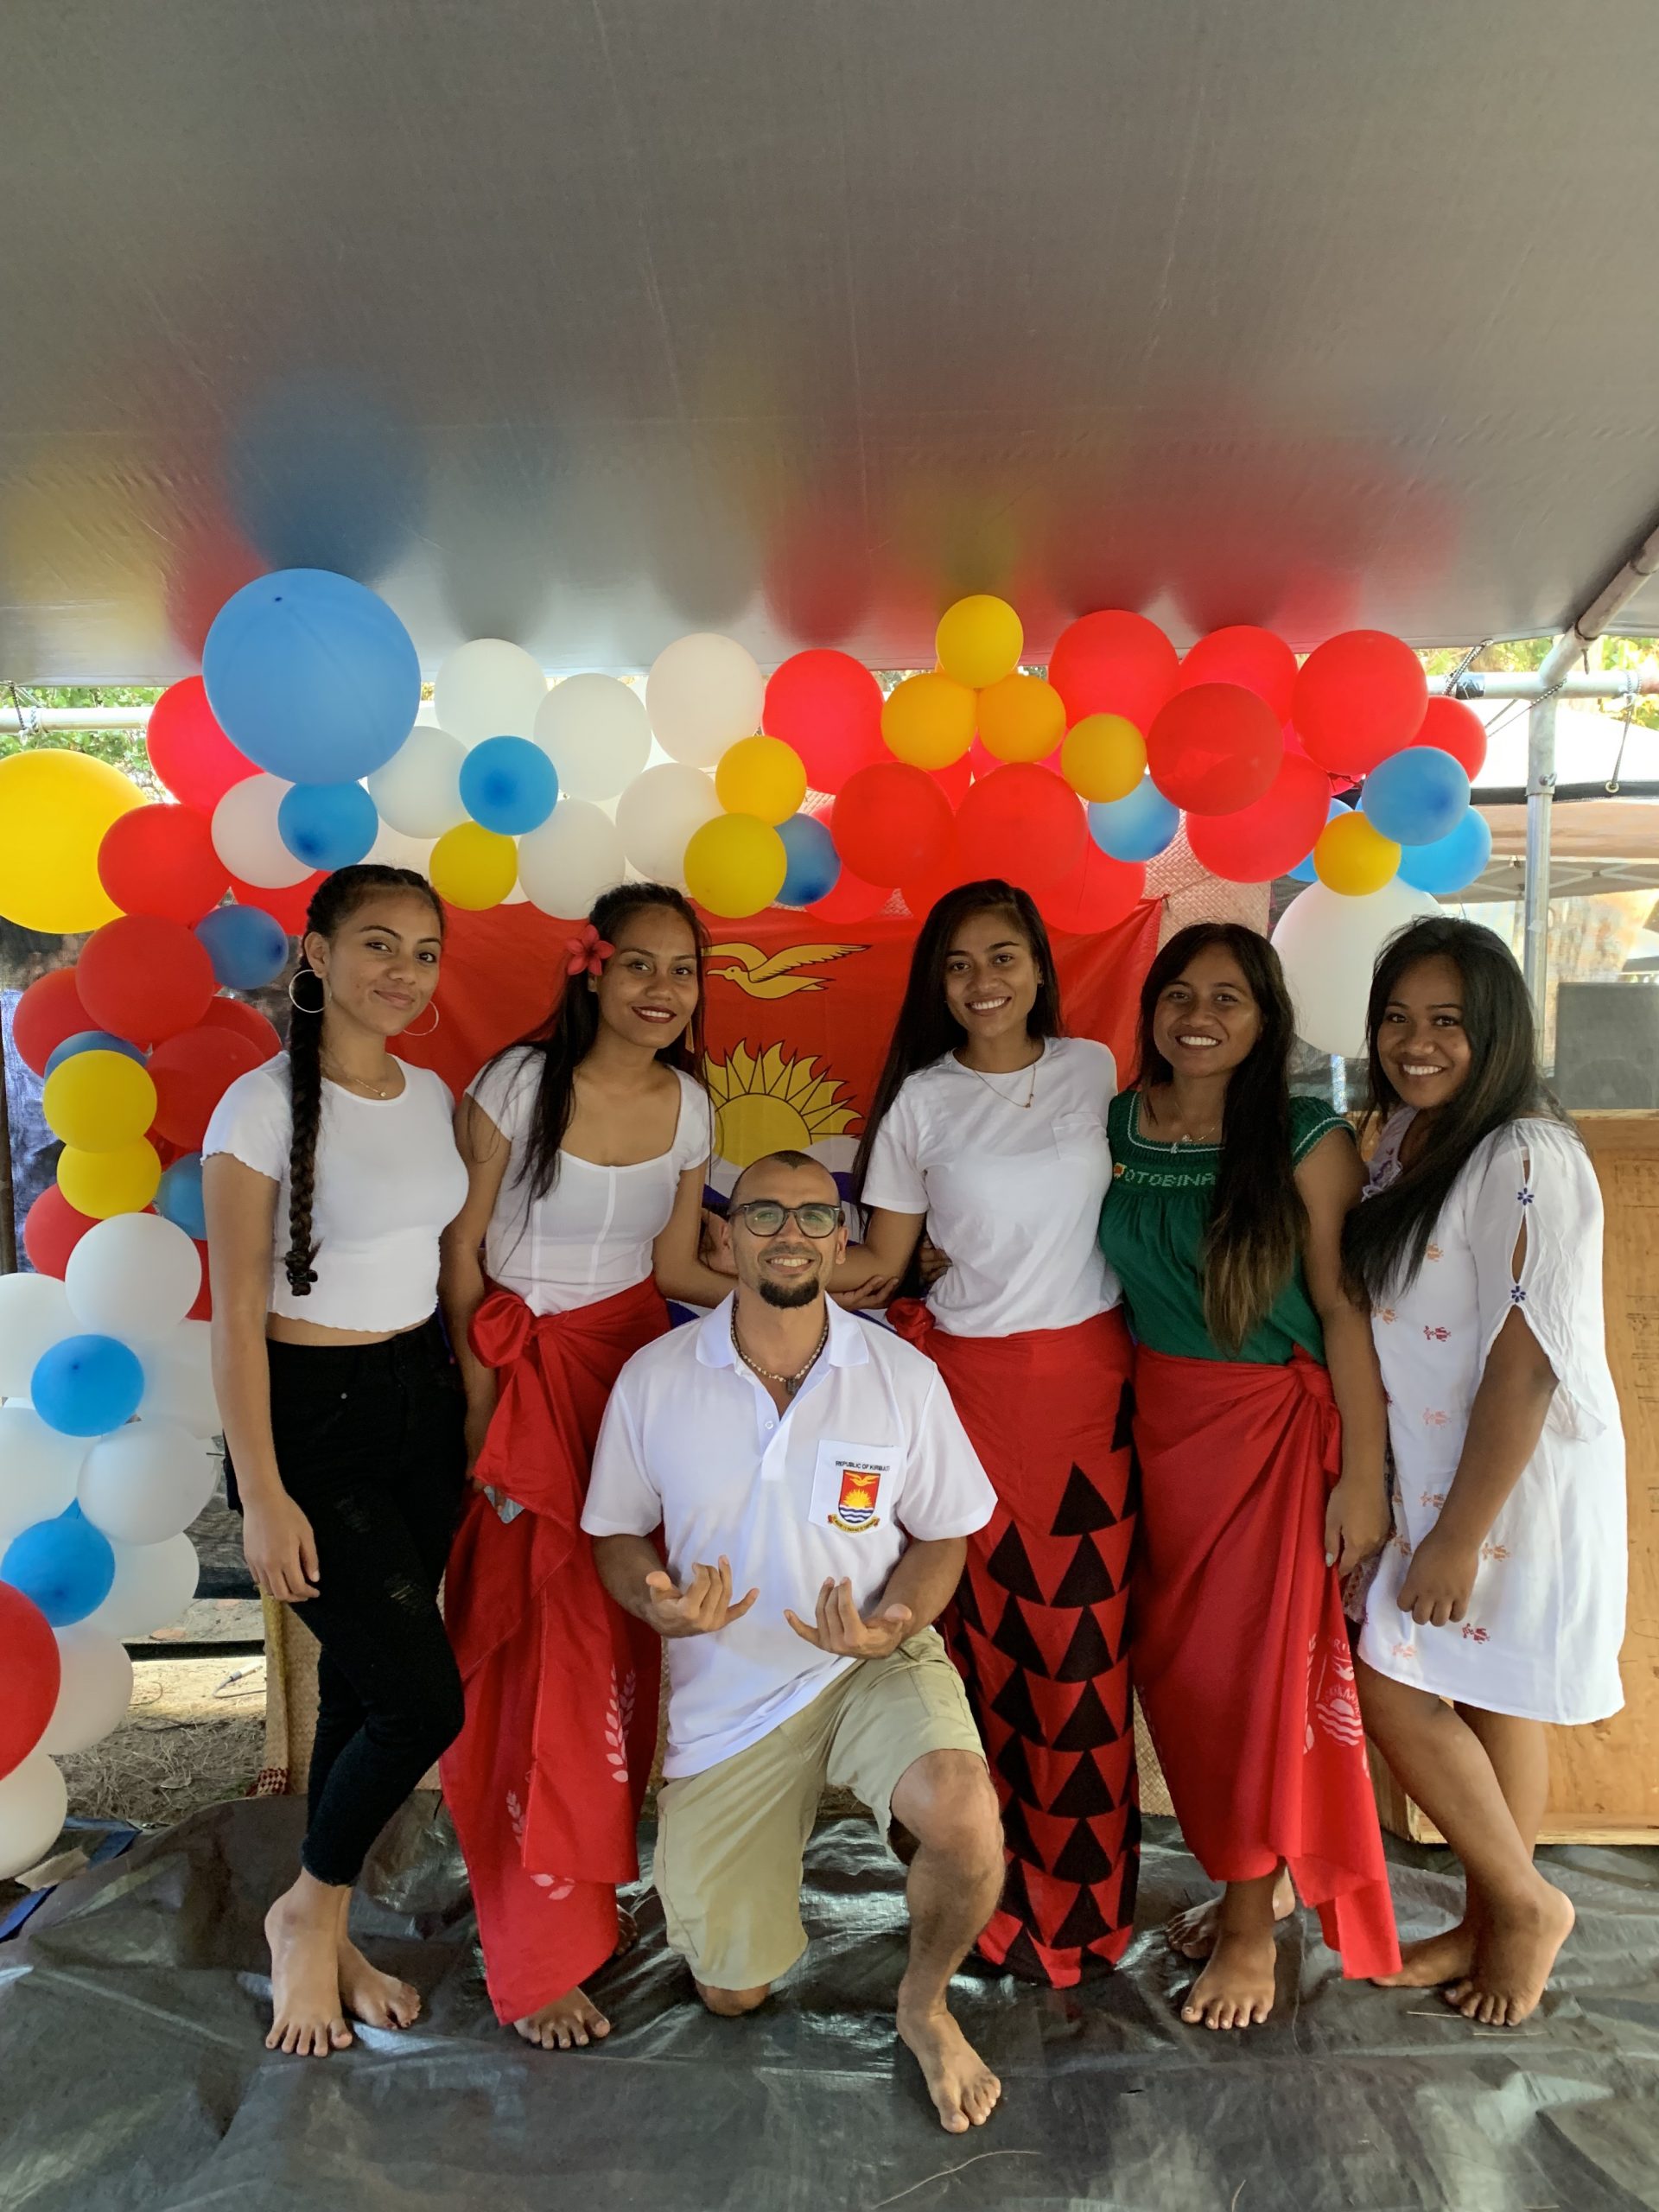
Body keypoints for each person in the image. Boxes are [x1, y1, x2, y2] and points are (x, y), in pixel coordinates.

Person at [582, 1149, 1006, 2134]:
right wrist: (654, 1600)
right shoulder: (657, 1377)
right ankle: (766, 1880)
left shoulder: (897, 1373)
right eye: (764, 1213)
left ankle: (925, 2003)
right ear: (723, 1239)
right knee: (734, 1992)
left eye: (817, 1216)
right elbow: (612, 1529)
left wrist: (897, 1621)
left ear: (843, 1240)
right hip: (729, 1702)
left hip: (866, 1659)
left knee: (961, 1809)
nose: (790, 1233)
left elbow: (946, 1530)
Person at [437, 883, 744, 2051]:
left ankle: (588, 1909)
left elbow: (672, 1264)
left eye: (684, 972)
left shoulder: (690, 1106)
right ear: (592, 972)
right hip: (516, 1384)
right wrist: (481, 1409)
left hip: (627, 1384)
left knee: (613, 1655)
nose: (664, 992)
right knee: (522, 1656)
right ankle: (529, 1950)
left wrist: (809, 1293)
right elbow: (461, 1252)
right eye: (640, 967)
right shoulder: (516, 1083)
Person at [1096, 921, 1397, 2030]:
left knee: (1252, 1685)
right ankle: (1243, 1876)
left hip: (1270, 1432)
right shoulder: (1119, 1120)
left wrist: (1362, 1477)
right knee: (1176, 1680)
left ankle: (1244, 1918)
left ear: (1267, 1016)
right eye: (1180, 993)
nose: (1200, 1016)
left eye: (1229, 996)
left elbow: (1341, 1307)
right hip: (1151, 1429)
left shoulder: (1309, 1138)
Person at [839, 880, 1137, 1987]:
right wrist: (758, 1259)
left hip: (1093, 1394)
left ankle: (1091, 1917)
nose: (983, 983)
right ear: (937, 982)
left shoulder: (1096, 1069)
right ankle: (989, 1903)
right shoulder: (920, 1102)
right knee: (986, 1654)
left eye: (1003, 956)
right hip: (965, 1396)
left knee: (1086, 1662)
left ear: (1040, 965)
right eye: (960, 965)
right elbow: (883, 1261)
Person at [202, 864, 470, 2057]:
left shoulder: (432, 1093)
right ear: (314, 953)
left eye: (423, 951)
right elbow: (236, 1316)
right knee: (423, 1702)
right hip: (311, 1423)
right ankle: (305, 1914)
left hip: (420, 1400)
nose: (402, 972)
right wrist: (262, 1493)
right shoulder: (256, 1111)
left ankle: (335, 1924)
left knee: (367, 1691)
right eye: (375, 944)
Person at [1346, 915, 1624, 2027]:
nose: (1419, 1042)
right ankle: (1486, 1917)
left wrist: (1459, 1533)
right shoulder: (1404, 1136)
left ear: (1497, 1030)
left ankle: (1524, 1902)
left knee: (1395, 1681)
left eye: (1448, 1022)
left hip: (1508, 1484)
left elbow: (1527, 1361)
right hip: (1433, 1472)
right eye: (1399, 1019)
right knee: (1488, 1688)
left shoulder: (1525, 1153)